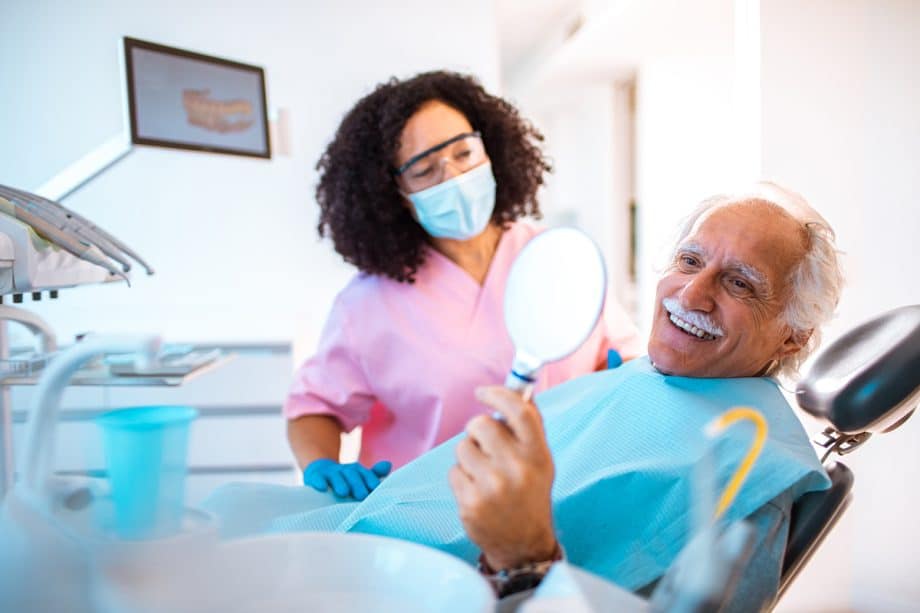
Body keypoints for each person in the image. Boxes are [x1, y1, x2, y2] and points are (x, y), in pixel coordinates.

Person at [285, 71, 642, 500]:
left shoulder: (555, 256)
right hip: (427, 516)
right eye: (424, 169)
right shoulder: (366, 305)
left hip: (568, 498)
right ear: (394, 190)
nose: (453, 176)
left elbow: (622, 356)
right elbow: (314, 409)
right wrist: (324, 465)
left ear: (489, 147)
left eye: (463, 152)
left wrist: (621, 384)